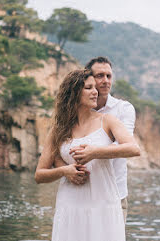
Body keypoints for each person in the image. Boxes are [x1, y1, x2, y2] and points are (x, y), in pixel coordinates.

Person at [35, 69, 140, 241]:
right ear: (74, 93)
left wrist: (95, 152)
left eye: (95, 88)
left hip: (104, 203)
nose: (95, 91)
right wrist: (65, 171)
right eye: (88, 88)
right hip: (70, 204)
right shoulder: (58, 130)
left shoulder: (107, 121)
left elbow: (134, 148)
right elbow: (39, 175)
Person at [55, 56, 136, 222]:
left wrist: (94, 152)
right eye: (100, 76)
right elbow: (57, 148)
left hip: (114, 194)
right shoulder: (71, 114)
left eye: (109, 76)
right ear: (88, 78)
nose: (106, 81)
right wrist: (66, 170)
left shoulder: (123, 109)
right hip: (77, 193)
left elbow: (126, 146)